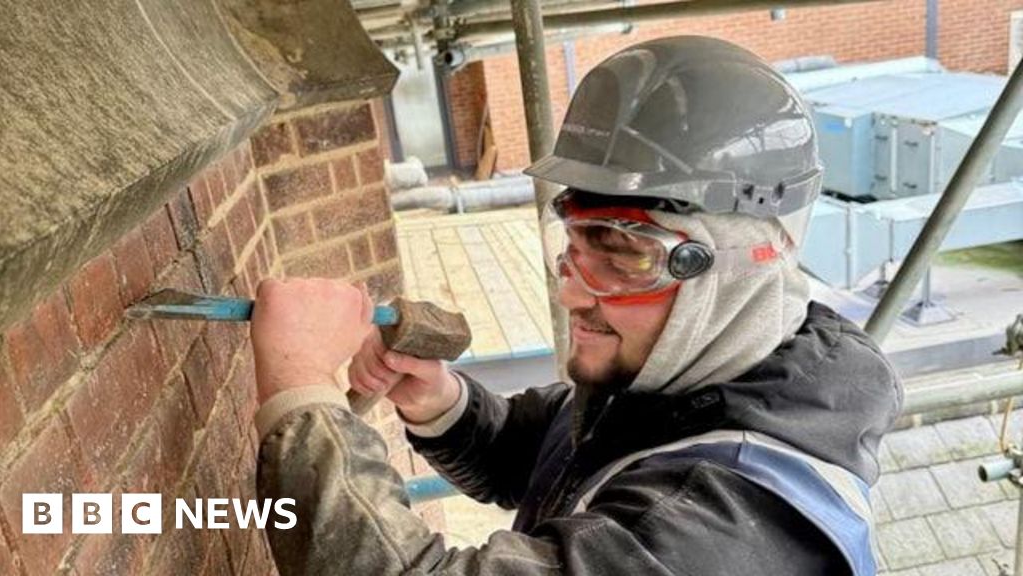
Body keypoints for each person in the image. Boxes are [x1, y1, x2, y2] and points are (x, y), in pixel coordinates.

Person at [250, 36, 902, 576]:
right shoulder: (693, 375)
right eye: (574, 243)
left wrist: (301, 392)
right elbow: (545, 457)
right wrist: (439, 402)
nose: (570, 291)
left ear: (734, 267)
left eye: (623, 255)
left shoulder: (718, 537)